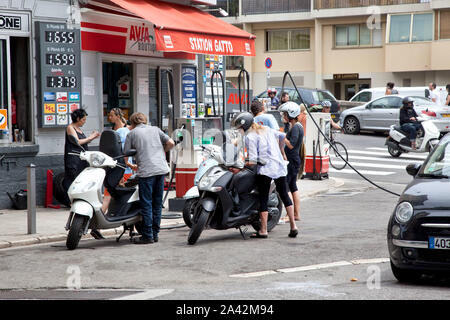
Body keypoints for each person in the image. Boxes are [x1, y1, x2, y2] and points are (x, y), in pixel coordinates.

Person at [233, 112, 298, 239]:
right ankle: (293, 226)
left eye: (239, 128)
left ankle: (263, 230)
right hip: (278, 165)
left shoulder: (250, 137)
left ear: (244, 126)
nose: (239, 131)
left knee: (263, 197)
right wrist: (281, 152)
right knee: (284, 194)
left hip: (265, 168)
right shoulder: (266, 129)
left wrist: (239, 168)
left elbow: (252, 161)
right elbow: (282, 136)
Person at [124, 112, 175, 244]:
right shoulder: (156, 129)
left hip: (146, 171)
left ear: (132, 122)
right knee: (157, 203)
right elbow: (171, 143)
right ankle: (155, 233)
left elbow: (125, 155)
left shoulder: (132, 134)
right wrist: (162, 150)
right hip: (161, 169)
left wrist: (130, 164)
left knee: (146, 203)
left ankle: (147, 235)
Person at [63, 109, 102, 239]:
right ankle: (72, 202)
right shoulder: (70, 128)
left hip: (82, 159)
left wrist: (90, 137)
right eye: (83, 119)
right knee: (73, 179)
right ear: (78, 118)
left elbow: (83, 143)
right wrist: (91, 137)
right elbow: (77, 142)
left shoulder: (79, 129)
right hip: (73, 160)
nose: (85, 121)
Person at [101, 108, 135, 213]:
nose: (109, 117)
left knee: (122, 198)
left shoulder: (125, 130)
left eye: (111, 115)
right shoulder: (114, 130)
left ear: (118, 116)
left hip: (124, 169)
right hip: (116, 168)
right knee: (110, 197)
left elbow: (126, 152)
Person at [279, 102, 303, 221]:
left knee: (287, 187)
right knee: (293, 187)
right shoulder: (295, 126)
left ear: (291, 114)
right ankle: (296, 214)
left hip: (292, 160)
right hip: (294, 160)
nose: (284, 116)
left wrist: (282, 136)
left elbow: (291, 145)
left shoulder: (296, 128)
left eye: (285, 113)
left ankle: (290, 215)